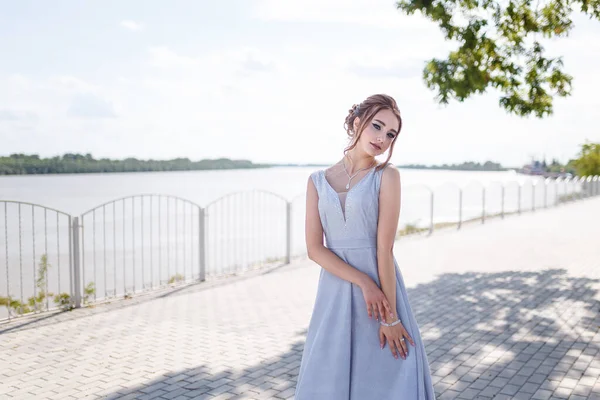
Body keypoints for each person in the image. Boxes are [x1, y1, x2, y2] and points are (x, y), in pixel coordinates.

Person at [295, 94, 436, 399]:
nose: (382, 138)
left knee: (389, 373)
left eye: (390, 134)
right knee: (328, 376)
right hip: (335, 293)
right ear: (357, 123)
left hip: (382, 296)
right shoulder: (317, 180)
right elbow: (314, 249)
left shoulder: (387, 176)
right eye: (377, 126)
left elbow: (384, 250)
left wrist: (391, 316)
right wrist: (363, 282)